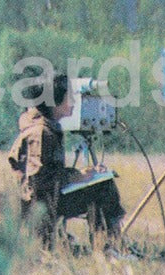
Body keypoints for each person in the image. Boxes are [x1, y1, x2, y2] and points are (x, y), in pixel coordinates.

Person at [8, 73, 123, 246]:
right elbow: (39, 182)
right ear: (55, 102)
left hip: (44, 203)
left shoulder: (46, 127)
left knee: (100, 182)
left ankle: (107, 245)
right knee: (103, 188)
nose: (74, 102)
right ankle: (109, 247)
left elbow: (49, 173)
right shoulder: (40, 133)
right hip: (39, 210)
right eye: (70, 97)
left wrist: (83, 174)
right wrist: (78, 177)